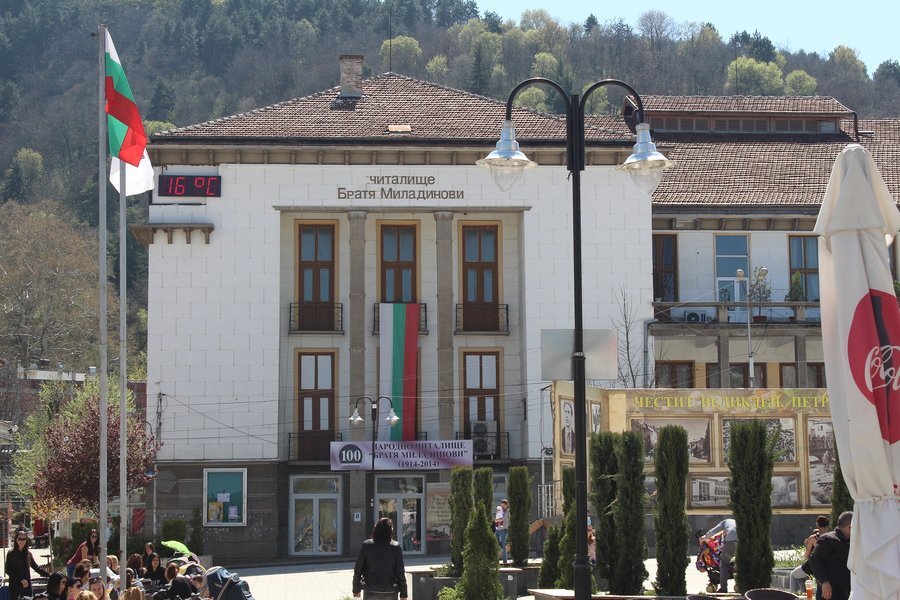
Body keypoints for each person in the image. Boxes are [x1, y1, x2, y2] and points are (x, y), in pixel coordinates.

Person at [352, 517, 408, 599]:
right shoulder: (395, 547)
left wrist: (356, 588)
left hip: (370, 590)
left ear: (376, 529)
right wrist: (403, 592)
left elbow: (358, 568)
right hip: (390, 590)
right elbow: (400, 571)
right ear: (390, 531)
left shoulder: (367, 545)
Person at [808, 511, 852, 600]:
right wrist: (824, 582)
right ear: (850, 527)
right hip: (829, 593)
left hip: (843, 592)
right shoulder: (828, 539)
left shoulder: (848, 541)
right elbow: (814, 559)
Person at [4, 528, 51, 600]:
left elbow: (36, 567)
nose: (22, 541)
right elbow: (8, 570)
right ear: (16, 540)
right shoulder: (11, 553)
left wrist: (49, 574)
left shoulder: (28, 554)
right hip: (15, 585)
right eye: (20, 539)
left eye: (24, 539)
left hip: (27, 586)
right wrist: (21, 580)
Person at [791, 516, 830, 581]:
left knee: (793, 575)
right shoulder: (832, 536)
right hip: (828, 566)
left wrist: (809, 545)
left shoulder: (813, 538)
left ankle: (799, 588)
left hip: (814, 566)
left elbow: (806, 555)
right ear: (828, 526)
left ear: (817, 525)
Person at [704, 517, 737, 592]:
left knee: (724, 564)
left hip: (730, 541)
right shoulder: (737, 521)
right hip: (742, 541)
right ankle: (742, 583)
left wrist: (705, 537)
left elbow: (714, 530)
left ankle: (723, 588)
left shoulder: (724, 522)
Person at [494, 499, 510, 564]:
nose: (502, 507)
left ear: (506, 505)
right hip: (498, 530)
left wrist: (496, 520)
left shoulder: (507, 511)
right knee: (496, 544)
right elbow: (497, 517)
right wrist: (497, 513)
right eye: (502, 506)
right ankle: (496, 560)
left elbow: (502, 519)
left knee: (503, 545)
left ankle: (504, 561)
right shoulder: (500, 511)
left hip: (504, 530)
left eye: (504, 506)